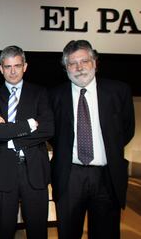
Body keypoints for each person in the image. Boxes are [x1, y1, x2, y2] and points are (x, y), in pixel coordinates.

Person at [49, 40, 135, 239]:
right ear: (66, 68)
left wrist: (108, 150)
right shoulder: (54, 96)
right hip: (69, 177)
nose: (79, 68)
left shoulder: (119, 91)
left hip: (107, 177)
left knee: (106, 233)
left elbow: (127, 129)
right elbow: (54, 135)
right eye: (72, 63)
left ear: (95, 62)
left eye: (84, 61)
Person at [0, 45, 54, 239]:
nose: (13, 71)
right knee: (5, 230)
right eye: (8, 66)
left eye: (17, 65)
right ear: (1, 69)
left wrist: (12, 135)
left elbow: (48, 129)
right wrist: (31, 124)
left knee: (38, 230)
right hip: (5, 172)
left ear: (25, 66)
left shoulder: (40, 93)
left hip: (35, 172)